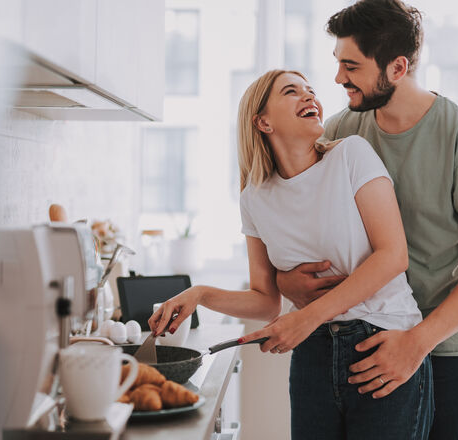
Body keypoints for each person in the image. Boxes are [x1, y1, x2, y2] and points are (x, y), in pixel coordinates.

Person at [274, 1, 458, 439]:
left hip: (443, 352)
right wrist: (284, 280)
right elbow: (298, 220)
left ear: (398, 67)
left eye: (351, 66)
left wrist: (417, 342)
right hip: (357, 343)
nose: (338, 78)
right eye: (338, 63)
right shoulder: (337, 133)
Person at [149, 69, 433, 439]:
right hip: (313, 355)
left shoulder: (352, 155)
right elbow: (266, 301)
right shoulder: (254, 198)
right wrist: (200, 294)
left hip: (381, 340)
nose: (309, 96)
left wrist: (304, 319)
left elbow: (393, 256)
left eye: (310, 91)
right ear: (262, 122)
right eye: (291, 91)